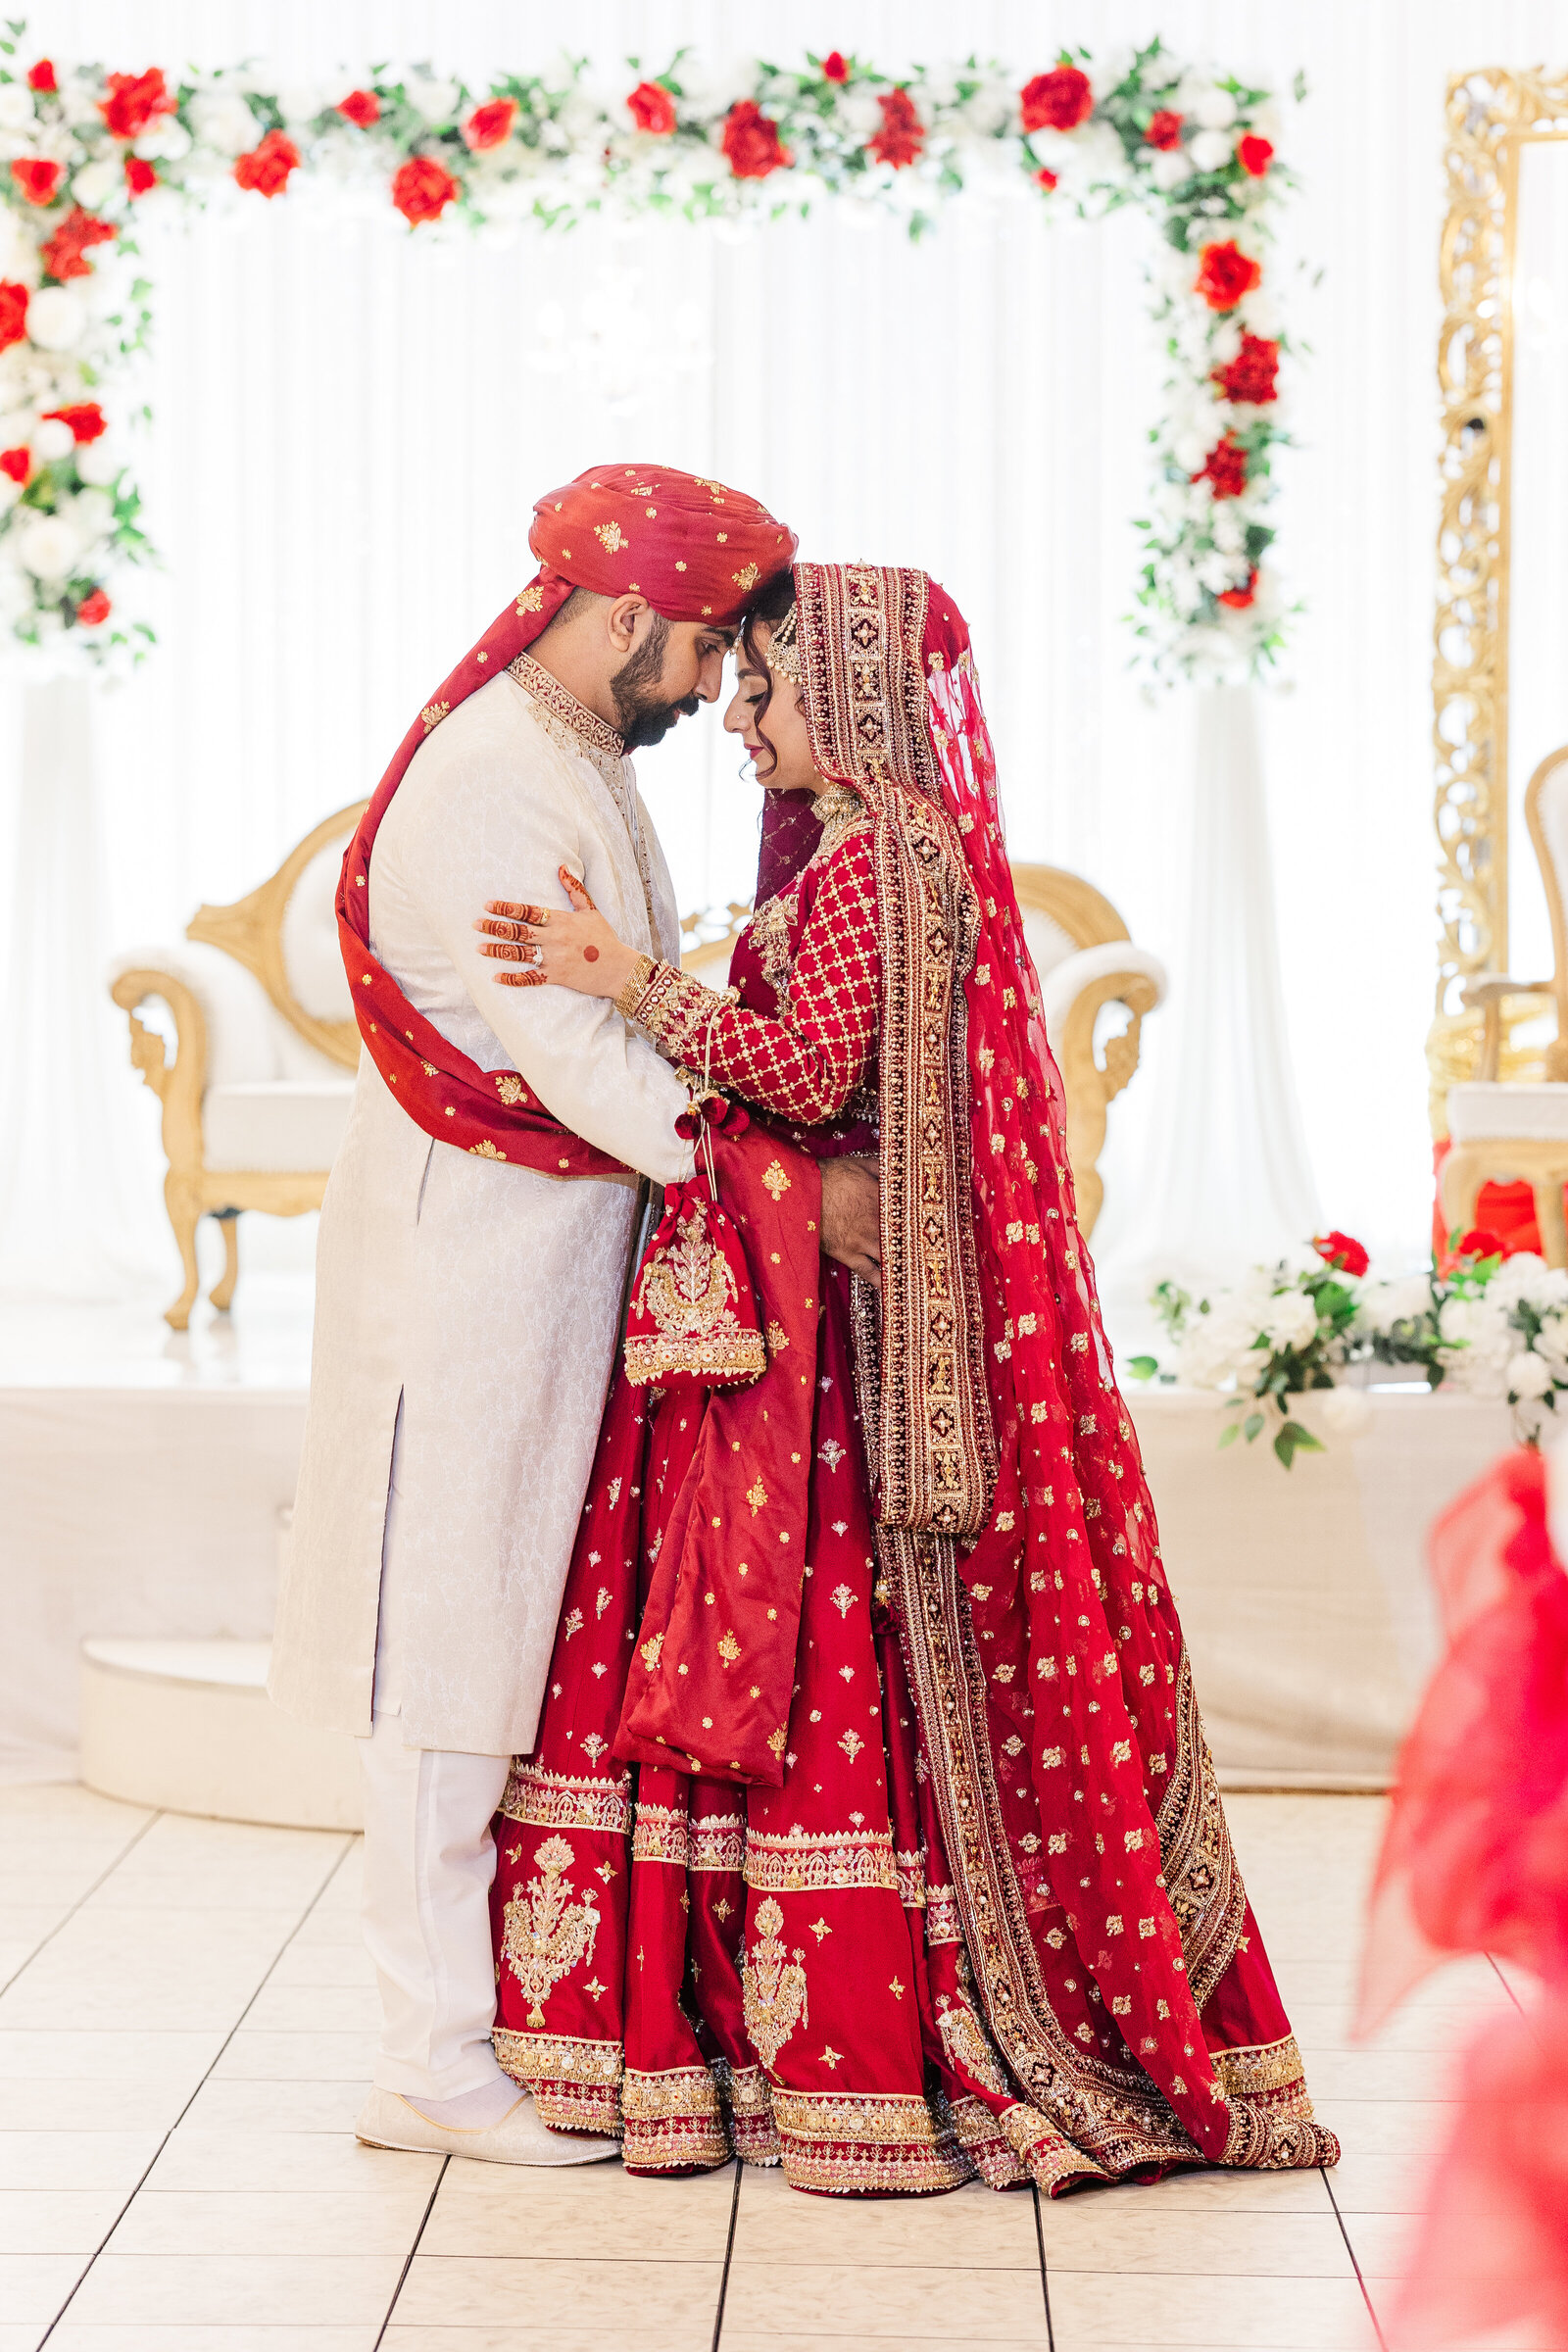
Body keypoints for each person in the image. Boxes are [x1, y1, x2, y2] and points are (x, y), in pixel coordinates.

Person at [470, 562, 1342, 2193]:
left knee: (842, 1664)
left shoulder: (884, 867)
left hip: (852, 1352)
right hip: (829, 1317)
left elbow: (808, 1074)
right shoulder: (882, 860)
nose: (737, 717)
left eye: (767, 688)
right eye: (732, 684)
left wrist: (623, 980)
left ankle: (866, 2043)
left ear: (854, 701)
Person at [269, 468, 879, 2167]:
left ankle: (467, 2039)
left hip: (544, 1254)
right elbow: (586, 1061)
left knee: (497, 1650)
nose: (709, 690)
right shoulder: (497, 781)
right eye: (697, 655)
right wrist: (775, 1178)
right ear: (623, 618)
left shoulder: (565, 748)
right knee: (444, 1667)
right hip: (468, 1257)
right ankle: (429, 2064)